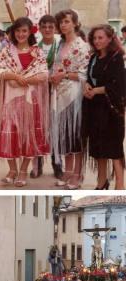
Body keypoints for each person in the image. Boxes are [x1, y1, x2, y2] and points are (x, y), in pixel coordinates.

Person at [0, 17, 50, 188]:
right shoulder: (6, 52)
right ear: (13, 32)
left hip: (30, 100)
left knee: (28, 134)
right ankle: (12, 170)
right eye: (17, 31)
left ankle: (24, 170)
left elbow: (44, 73)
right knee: (10, 132)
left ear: (30, 32)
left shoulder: (37, 52)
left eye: (24, 31)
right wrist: (13, 76)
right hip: (11, 99)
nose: (20, 34)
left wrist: (27, 80)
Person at [50, 9, 90, 189]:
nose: (63, 25)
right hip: (58, 94)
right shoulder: (59, 44)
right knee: (64, 134)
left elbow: (84, 73)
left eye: (67, 21)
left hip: (74, 94)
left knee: (75, 134)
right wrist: (53, 76)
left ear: (75, 23)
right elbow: (55, 66)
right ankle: (67, 170)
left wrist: (64, 75)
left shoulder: (82, 45)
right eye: (61, 22)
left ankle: (77, 174)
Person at [83, 24, 126, 190]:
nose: (97, 41)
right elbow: (89, 77)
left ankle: (120, 185)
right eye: (94, 38)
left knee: (114, 148)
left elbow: (119, 85)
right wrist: (87, 85)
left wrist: (97, 90)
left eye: (101, 38)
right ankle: (101, 182)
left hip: (110, 109)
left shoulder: (116, 57)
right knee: (98, 148)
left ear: (109, 38)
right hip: (94, 109)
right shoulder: (94, 57)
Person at [35, 14, 63, 179]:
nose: (47, 30)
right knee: (38, 128)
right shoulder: (34, 47)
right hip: (38, 92)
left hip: (56, 92)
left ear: (55, 29)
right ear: (39, 28)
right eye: (44, 27)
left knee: (55, 130)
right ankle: (37, 164)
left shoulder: (61, 46)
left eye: (50, 27)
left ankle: (57, 164)